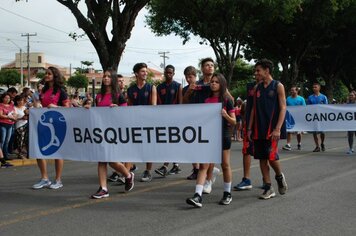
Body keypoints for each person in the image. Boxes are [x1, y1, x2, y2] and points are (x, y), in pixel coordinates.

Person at [186, 73, 236, 207]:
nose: (213, 84)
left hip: (223, 134)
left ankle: (227, 193)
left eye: (216, 82)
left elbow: (234, 121)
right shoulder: (206, 99)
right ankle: (197, 196)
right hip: (208, 135)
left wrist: (226, 115)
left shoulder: (226, 100)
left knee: (225, 165)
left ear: (222, 84)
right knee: (203, 166)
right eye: (212, 82)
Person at [87, 69, 135, 199]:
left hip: (114, 133)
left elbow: (125, 113)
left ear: (113, 79)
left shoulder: (118, 96)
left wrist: (117, 109)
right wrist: (88, 108)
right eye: (104, 76)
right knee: (102, 160)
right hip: (101, 131)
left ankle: (128, 175)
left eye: (108, 76)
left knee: (112, 161)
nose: (105, 78)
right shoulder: (99, 96)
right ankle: (103, 188)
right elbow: (97, 113)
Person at [248, 59, 288, 200]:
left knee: (271, 158)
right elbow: (253, 109)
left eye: (258, 70)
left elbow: (283, 108)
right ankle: (268, 187)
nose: (256, 73)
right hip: (259, 129)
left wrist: (278, 128)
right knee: (262, 158)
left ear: (267, 70)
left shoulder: (278, 86)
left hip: (272, 129)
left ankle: (279, 175)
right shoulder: (257, 88)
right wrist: (249, 128)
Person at [183, 58, 222, 194]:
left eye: (212, 65)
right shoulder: (197, 84)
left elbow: (229, 99)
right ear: (202, 68)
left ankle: (208, 181)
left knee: (209, 154)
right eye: (207, 65)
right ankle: (210, 173)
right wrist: (189, 90)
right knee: (200, 154)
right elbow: (185, 102)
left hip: (214, 123)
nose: (210, 67)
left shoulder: (218, 84)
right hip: (199, 123)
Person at [32, 66, 70, 190]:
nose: (46, 75)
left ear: (55, 75)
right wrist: (36, 105)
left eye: (49, 73)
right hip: (43, 124)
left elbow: (68, 109)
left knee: (57, 152)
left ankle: (58, 180)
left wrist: (56, 107)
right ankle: (45, 178)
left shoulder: (61, 91)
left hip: (57, 125)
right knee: (39, 150)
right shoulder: (43, 91)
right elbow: (40, 104)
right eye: (46, 74)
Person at [127, 63, 157, 182]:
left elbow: (153, 106)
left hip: (147, 121)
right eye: (143, 71)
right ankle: (128, 171)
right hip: (134, 121)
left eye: (146, 71)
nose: (145, 73)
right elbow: (129, 106)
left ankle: (148, 171)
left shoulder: (151, 87)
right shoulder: (130, 89)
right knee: (132, 146)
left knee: (148, 147)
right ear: (136, 74)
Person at [233, 75, 261, 191]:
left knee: (265, 153)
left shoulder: (273, 87)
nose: (256, 73)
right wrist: (246, 121)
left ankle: (267, 180)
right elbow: (249, 105)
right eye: (255, 71)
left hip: (264, 124)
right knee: (246, 151)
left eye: (259, 70)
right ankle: (246, 179)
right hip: (249, 125)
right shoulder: (250, 86)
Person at [154, 65, 183, 176]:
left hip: (175, 119)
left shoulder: (178, 86)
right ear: (164, 73)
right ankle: (175, 165)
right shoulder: (159, 87)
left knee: (172, 142)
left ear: (173, 73)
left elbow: (180, 103)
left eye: (170, 73)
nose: (168, 74)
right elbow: (158, 103)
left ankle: (166, 166)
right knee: (168, 142)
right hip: (163, 119)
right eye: (167, 72)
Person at [182, 66, 199, 180]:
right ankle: (196, 169)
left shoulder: (201, 86)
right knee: (191, 146)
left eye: (190, 77)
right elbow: (184, 102)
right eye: (187, 77)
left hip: (201, 120)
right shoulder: (184, 89)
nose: (188, 80)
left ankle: (206, 169)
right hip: (189, 120)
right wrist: (188, 92)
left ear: (195, 76)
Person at [282, 86, 306, 151]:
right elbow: (285, 107)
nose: (292, 91)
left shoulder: (301, 99)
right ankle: (288, 144)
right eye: (291, 90)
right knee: (289, 131)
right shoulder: (288, 98)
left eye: (293, 90)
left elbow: (304, 108)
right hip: (290, 117)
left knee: (298, 132)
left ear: (297, 91)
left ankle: (299, 143)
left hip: (298, 117)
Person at [307, 82, 328, 152]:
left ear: (319, 88)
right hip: (313, 117)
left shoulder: (323, 97)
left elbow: (326, 107)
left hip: (321, 117)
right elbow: (308, 107)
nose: (314, 88)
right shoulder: (310, 97)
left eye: (315, 87)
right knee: (314, 132)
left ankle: (322, 143)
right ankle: (317, 146)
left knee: (322, 132)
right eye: (313, 87)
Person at [0, 93, 17, 161]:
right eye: (6, 98)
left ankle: (5, 154)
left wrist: (14, 117)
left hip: (10, 124)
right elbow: (0, 115)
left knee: (7, 141)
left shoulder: (11, 106)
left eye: (9, 98)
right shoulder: (1, 105)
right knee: (2, 140)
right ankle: (1, 156)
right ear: (2, 98)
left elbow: (15, 114)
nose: (7, 99)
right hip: (2, 124)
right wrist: (9, 117)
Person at [13, 95, 29, 159]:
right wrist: (22, 118)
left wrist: (27, 116)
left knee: (26, 140)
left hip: (26, 125)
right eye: (19, 100)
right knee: (20, 140)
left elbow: (28, 115)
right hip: (19, 126)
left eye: (22, 100)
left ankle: (27, 153)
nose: (20, 102)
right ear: (16, 101)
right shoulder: (14, 108)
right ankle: (19, 154)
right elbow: (14, 118)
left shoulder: (24, 107)